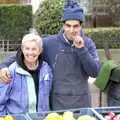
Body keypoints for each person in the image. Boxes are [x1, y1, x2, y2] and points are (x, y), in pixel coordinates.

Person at [0, 0, 100, 110]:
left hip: (82, 105)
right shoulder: (49, 43)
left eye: (75, 26)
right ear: (63, 25)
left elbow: (94, 72)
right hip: (57, 105)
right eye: (68, 25)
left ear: (81, 25)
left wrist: (81, 49)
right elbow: (26, 53)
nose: (71, 30)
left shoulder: (88, 44)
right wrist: (3, 66)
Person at [0, 32, 53, 115]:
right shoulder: (11, 71)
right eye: (27, 49)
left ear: (40, 51)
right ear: (22, 49)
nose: (30, 53)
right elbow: (1, 101)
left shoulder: (46, 69)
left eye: (34, 49)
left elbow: (48, 96)